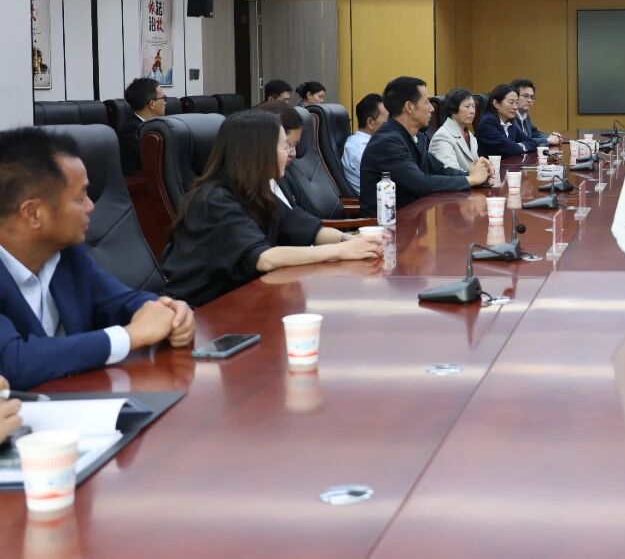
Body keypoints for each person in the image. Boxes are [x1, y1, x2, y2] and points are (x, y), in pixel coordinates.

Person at [0, 128, 195, 388]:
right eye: (80, 197)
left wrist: (168, 311)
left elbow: (122, 301)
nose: (91, 206)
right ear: (33, 213)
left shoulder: (66, 254)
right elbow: (15, 362)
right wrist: (129, 336)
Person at [161, 111, 382, 306]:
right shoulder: (214, 200)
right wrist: (341, 251)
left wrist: (352, 240)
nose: (290, 153)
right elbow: (265, 258)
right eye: (285, 146)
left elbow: (307, 229)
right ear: (260, 151)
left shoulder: (255, 191)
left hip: (244, 301)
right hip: (202, 315)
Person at [359, 77, 491, 216]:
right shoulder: (387, 142)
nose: (432, 108)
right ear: (409, 107)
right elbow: (420, 184)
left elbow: (439, 170)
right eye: (427, 102)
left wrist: (477, 174)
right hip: (385, 225)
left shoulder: (417, 136)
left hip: (412, 219)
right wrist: (471, 179)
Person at [117, 76, 166, 175]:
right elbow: (153, 160)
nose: (165, 102)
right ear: (152, 104)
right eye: (163, 98)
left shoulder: (158, 125)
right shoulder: (131, 131)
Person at [428, 88, 485, 172]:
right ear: (453, 110)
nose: (472, 111)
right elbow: (450, 173)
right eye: (467, 106)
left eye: (473, 106)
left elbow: (475, 166)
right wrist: (478, 175)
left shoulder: (470, 135)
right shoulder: (442, 137)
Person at [342, 93, 388, 195]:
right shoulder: (358, 148)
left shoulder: (372, 143)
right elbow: (386, 182)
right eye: (387, 121)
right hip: (380, 201)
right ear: (371, 123)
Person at [476, 84, 538, 157]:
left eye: (517, 103)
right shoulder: (487, 122)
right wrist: (520, 146)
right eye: (511, 102)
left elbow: (532, 142)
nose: (515, 107)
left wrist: (517, 146)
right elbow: (510, 148)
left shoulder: (509, 122)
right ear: (496, 103)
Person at [511, 78, 562, 147]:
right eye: (525, 96)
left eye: (532, 97)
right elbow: (523, 141)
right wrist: (548, 140)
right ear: (514, 97)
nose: (529, 100)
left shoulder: (525, 116)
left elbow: (535, 133)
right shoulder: (510, 117)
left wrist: (552, 137)